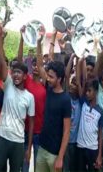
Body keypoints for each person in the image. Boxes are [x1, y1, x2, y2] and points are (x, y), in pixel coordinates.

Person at [0, 26, 35, 172]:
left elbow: (31, 125)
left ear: (25, 76)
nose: (15, 75)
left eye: (19, 72)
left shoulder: (30, 97)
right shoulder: (8, 83)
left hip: (18, 142)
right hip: (2, 137)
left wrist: (28, 148)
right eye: (14, 72)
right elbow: (2, 60)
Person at [35, 30, 71, 172]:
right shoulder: (48, 89)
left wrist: (60, 157)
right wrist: (38, 42)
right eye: (47, 76)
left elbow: (67, 131)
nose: (48, 79)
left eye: (51, 77)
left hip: (55, 154)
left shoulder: (65, 100)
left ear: (60, 79)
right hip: (42, 149)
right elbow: (39, 66)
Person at [18, 26, 46, 172]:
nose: (36, 67)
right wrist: (22, 38)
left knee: (38, 166)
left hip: (39, 132)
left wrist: (40, 41)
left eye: (38, 65)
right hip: (25, 130)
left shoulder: (45, 85)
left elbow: (41, 64)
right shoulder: (26, 80)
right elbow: (19, 62)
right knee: (24, 164)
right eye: (34, 64)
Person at [77, 79, 103, 172]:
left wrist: (99, 155)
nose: (87, 93)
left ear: (96, 92)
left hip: (93, 149)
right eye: (86, 91)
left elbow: (100, 134)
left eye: (89, 91)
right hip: (80, 146)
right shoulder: (83, 103)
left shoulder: (100, 111)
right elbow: (78, 79)